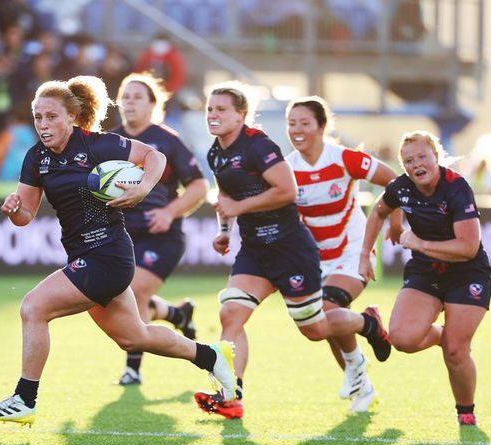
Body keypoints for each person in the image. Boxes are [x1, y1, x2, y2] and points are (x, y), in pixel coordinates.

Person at [0, 75, 236, 426]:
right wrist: (14, 210)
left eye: (51, 116)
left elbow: (154, 156)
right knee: (134, 336)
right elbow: (26, 215)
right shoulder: (36, 157)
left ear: (71, 116)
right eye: (38, 117)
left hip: (108, 255)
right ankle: (211, 357)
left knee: (33, 308)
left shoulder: (97, 145)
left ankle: (25, 398)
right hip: (86, 256)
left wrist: (144, 187)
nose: (43, 124)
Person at [194, 81, 392, 420]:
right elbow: (225, 199)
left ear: (242, 115)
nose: (213, 114)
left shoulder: (260, 147)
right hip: (256, 249)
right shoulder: (216, 152)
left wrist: (398, 222)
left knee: (315, 328)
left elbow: (286, 192)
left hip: (290, 248)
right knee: (230, 312)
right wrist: (224, 231)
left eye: (221, 109)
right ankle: (231, 396)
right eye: (210, 108)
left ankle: (366, 324)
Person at [359, 130, 491, 426]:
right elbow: (379, 211)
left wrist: (420, 243)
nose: (416, 163)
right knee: (403, 340)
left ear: (437, 156)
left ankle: (465, 410)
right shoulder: (401, 187)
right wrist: (365, 253)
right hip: (426, 271)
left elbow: (468, 247)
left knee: (456, 352)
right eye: (409, 160)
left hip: (467, 272)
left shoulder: (456, 187)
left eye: (422, 156)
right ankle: (444, 336)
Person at [285, 96, 403, 412]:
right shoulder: (287, 168)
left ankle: (367, 324)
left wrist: (395, 219)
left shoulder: (344, 159)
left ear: (322, 127)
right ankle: (362, 385)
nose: (297, 129)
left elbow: (393, 181)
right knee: (325, 325)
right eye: (292, 123)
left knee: (327, 309)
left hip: (353, 250)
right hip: (315, 258)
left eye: (305, 122)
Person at [110, 72, 209, 386]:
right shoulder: (111, 142)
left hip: (161, 236)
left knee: (133, 291)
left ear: (154, 104)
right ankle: (178, 315)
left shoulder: (166, 140)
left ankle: (133, 368)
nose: (129, 102)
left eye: (138, 97)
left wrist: (169, 211)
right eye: (125, 96)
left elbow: (198, 186)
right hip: (121, 236)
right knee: (115, 296)